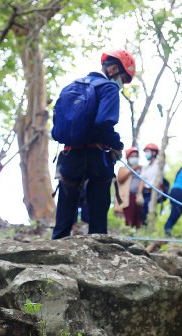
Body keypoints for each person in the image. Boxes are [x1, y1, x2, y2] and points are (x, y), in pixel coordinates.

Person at [51, 49, 135, 239]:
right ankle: (98, 255)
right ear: (113, 69)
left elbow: (56, 130)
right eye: (123, 77)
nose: (122, 83)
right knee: (98, 215)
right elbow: (103, 123)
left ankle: (55, 249)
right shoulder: (108, 88)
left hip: (69, 156)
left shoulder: (70, 87)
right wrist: (117, 145)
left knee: (65, 212)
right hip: (96, 157)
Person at [115, 148, 144, 227]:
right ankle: (127, 232)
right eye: (132, 156)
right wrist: (132, 170)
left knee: (138, 219)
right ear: (128, 158)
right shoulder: (123, 169)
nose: (134, 158)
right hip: (127, 198)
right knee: (128, 219)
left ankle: (137, 234)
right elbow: (120, 179)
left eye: (136, 156)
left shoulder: (142, 169)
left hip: (138, 198)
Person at [139, 143, 160, 226]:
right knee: (143, 210)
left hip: (156, 191)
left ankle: (152, 227)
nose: (146, 154)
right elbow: (142, 181)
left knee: (150, 208)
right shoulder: (145, 167)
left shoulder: (159, 163)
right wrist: (139, 194)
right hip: (146, 192)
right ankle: (144, 228)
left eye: (147, 151)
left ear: (154, 152)